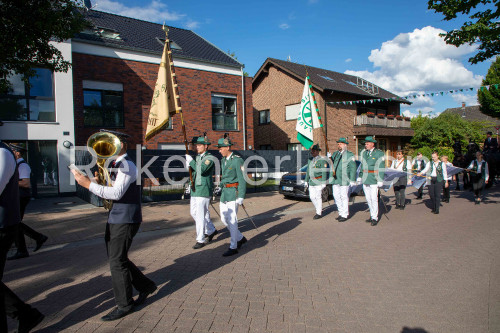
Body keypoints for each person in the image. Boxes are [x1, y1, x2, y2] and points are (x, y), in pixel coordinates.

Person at [72, 130, 156, 321]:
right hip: (117, 217)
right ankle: (146, 286)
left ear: (121, 145)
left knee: (116, 261)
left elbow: (116, 194)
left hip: (125, 218)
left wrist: (87, 185)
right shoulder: (117, 165)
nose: (105, 148)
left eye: (109, 143)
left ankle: (125, 304)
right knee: (118, 258)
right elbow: (112, 188)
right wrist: (96, 181)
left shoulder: (127, 165)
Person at [1, 142, 45, 333]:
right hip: (10, 212)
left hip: (10, 212)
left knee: (18, 226)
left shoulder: (8, 157)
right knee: (19, 227)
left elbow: (25, 183)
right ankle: (29, 244)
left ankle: (26, 314)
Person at [7, 144, 48, 260]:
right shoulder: (16, 165)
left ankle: (35, 240)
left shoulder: (23, 166)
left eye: (12, 151)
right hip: (17, 196)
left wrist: (9, 181)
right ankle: (26, 245)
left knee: (15, 222)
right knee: (15, 222)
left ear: (17, 153)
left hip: (21, 196)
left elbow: (25, 183)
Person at [215, 136, 247, 257]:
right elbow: (225, 177)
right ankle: (240, 238)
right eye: (219, 148)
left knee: (232, 220)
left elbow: (242, 179)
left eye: (221, 148)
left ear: (228, 147)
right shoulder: (223, 160)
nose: (219, 150)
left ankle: (233, 246)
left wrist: (241, 195)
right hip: (225, 193)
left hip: (234, 193)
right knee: (224, 219)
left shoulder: (237, 160)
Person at [185, 135, 218, 249]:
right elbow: (194, 173)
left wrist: (191, 162)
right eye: (196, 145)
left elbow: (202, 170)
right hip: (195, 189)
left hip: (203, 189)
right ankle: (211, 230)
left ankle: (200, 239)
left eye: (199, 145)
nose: (196, 147)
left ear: (206, 146)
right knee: (193, 213)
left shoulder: (209, 158)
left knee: (199, 216)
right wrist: (190, 183)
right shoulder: (198, 157)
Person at [357, 136, 385, 226]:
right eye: (365, 143)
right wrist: (360, 176)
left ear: (372, 144)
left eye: (367, 143)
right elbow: (362, 165)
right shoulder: (364, 153)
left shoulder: (379, 153)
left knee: (374, 199)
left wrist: (380, 179)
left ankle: (375, 218)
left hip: (374, 178)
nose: (366, 144)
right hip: (365, 178)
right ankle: (372, 215)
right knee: (368, 199)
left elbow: (381, 167)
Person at [328, 138, 356, 222]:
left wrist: (352, 179)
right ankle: (340, 212)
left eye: (340, 144)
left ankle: (344, 214)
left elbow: (352, 168)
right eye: (338, 144)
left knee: (344, 197)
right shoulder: (336, 154)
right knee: (336, 196)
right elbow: (332, 163)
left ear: (345, 145)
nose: (339, 145)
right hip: (335, 179)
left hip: (344, 179)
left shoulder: (349, 155)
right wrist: (329, 157)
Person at [305, 144, 328, 220]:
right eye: (312, 151)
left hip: (318, 181)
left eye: (314, 151)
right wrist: (306, 181)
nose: (312, 152)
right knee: (312, 197)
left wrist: (324, 182)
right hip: (311, 181)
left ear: (318, 152)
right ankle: (319, 209)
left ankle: (318, 212)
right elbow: (308, 171)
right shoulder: (310, 160)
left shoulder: (322, 160)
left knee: (318, 197)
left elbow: (324, 172)